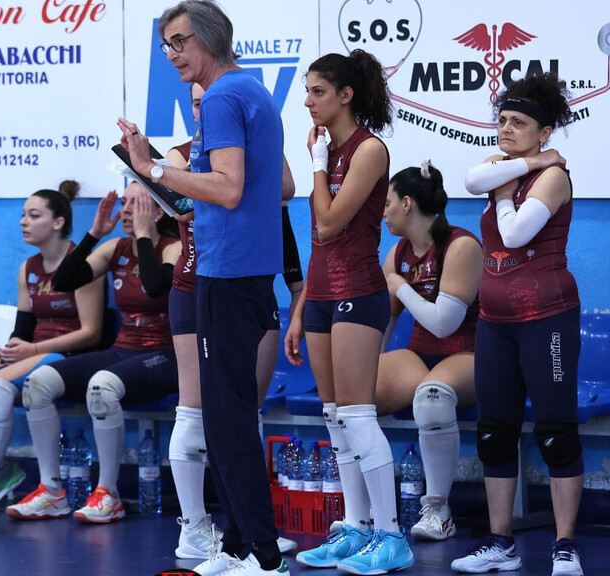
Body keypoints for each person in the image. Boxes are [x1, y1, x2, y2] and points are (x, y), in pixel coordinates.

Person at [118, 2, 289, 574]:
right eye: (165, 45)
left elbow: (229, 187)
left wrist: (151, 168)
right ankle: (239, 545)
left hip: (229, 273)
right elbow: (253, 188)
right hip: (240, 268)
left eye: (179, 42)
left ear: (210, 37)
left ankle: (264, 556)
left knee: (228, 420)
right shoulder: (250, 89)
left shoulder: (220, 96)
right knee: (222, 417)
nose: (171, 55)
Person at [286, 50, 416, 574]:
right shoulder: (329, 150)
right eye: (307, 91)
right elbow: (317, 241)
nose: (308, 102)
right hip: (319, 295)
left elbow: (329, 223)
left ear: (346, 95)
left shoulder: (369, 149)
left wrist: (317, 164)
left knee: (359, 416)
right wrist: (300, 309)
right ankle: (356, 528)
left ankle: (392, 536)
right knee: (335, 417)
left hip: (358, 293)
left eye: (318, 92)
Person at [164, 82, 304, 560]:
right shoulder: (182, 153)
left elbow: (284, 191)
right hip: (197, 283)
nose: (203, 109)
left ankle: (249, 536)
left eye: (209, 102)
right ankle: (198, 528)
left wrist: (296, 285)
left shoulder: (250, 138)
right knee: (199, 413)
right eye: (196, 103)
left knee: (243, 414)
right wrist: (183, 175)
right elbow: (184, 205)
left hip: (246, 278)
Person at [451, 73, 583, 576]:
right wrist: (523, 166)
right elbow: (470, 181)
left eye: (519, 123)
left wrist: (507, 190)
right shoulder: (510, 166)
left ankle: (565, 546)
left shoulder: (555, 178)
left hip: (546, 318)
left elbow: (514, 233)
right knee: (494, 432)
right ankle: (500, 543)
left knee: (555, 432)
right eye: (502, 120)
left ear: (544, 132)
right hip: (495, 320)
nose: (505, 128)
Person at [4, 183, 180, 523]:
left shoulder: (174, 248)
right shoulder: (115, 248)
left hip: (166, 354)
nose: (126, 210)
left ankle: (108, 494)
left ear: (158, 211)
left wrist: (144, 235)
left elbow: (155, 287)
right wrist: (94, 234)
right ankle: (52, 491)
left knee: (101, 386)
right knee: (37, 383)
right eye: (124, 203)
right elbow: (63, 281)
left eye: (137, 204)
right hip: (123, 350)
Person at [0, 181, 105, 517]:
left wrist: (32, 349)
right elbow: (23, 327)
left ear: (58, 222)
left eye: (34, 216)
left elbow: (91, 333)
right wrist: (14, 349)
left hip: (69, 354)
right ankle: (3, 467)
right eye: (23, 215)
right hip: (34, 349)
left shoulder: (83, 264)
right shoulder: (28, 268)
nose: (23, 222)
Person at [377, 161, 483, 541]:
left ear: (406, 204)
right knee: (351, 397)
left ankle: (439, 512)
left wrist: (400, 287)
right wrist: (370, 366)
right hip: (420, 356)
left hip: (469, 355)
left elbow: (444, 324)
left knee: (432, 397)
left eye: (387, 203)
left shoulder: (461, 246)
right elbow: (382, 323)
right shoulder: (397, 254)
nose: (383, 212)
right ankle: (366, 514)